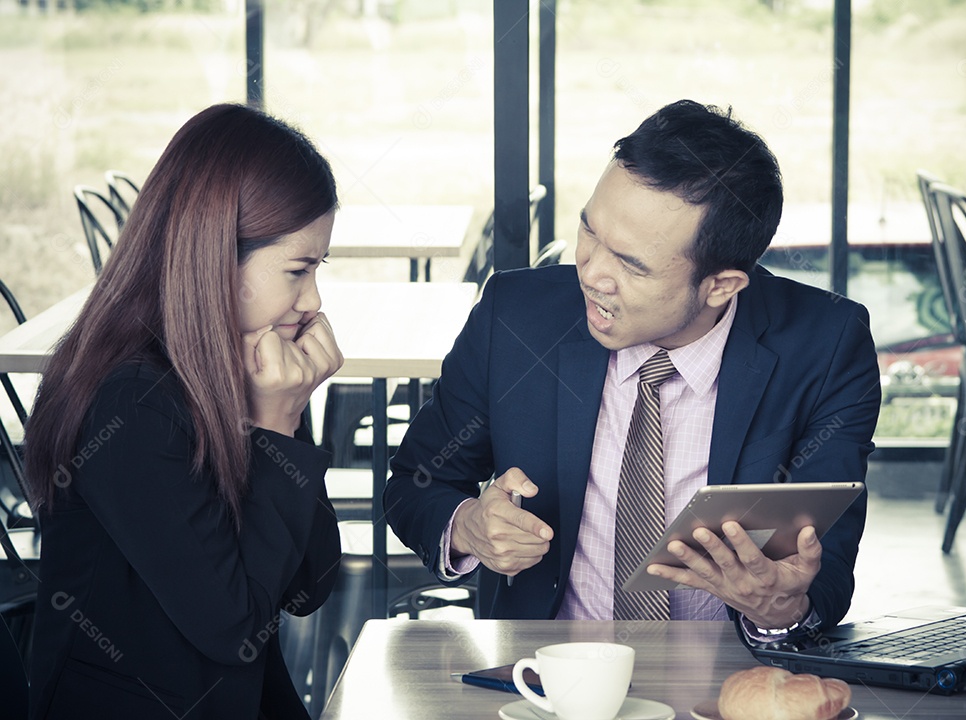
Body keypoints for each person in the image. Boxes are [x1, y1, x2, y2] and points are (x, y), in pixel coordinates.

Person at [386, 99, 880, 634]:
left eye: (631, 264)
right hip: (548, 665)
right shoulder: (517, 316)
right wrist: (468, 527)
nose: (592, 274)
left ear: (721, 285)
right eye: (590, 232)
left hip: (733, 671)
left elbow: (825, 570)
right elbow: (417, 483)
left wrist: (779, 608)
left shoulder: (827, 345)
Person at [23, 104, 344, 719]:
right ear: (216, 256)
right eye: (298, 271)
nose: (313, 300)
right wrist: (277, 428)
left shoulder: (239, 370)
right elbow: (233, 627)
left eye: (317, 268)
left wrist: (285, 415)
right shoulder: (130, 401)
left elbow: (308, 587)